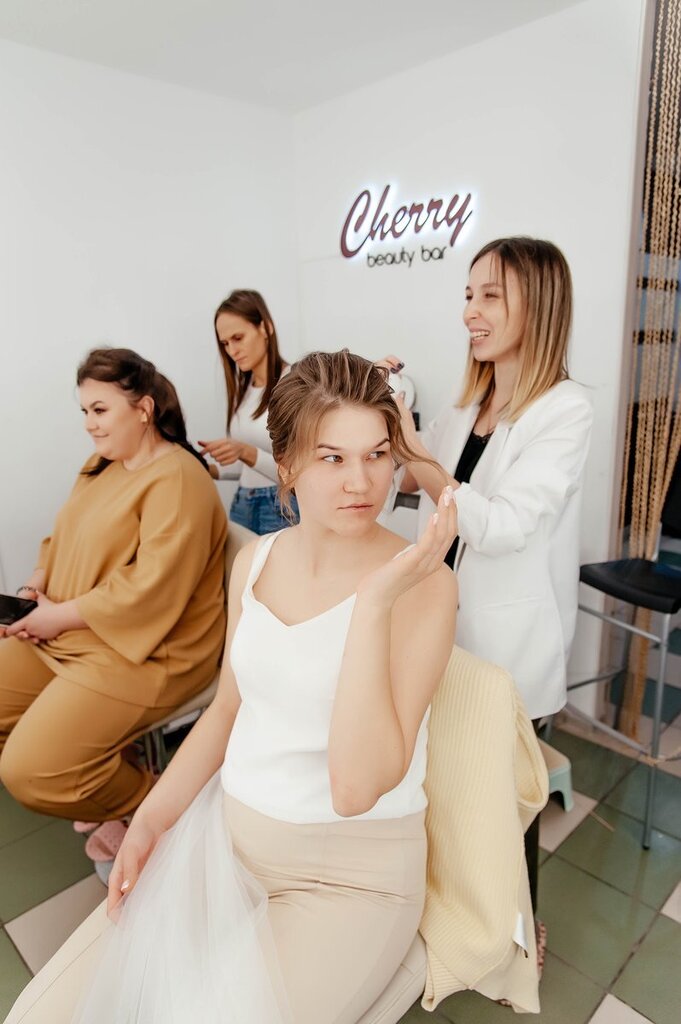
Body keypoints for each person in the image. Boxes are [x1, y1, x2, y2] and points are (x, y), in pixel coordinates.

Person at [5, 350, 457, 1024]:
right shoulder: (258, 560)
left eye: (376, 454)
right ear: (288, 464)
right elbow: (225, 711)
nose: (361, 481)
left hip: (348, 877)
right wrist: (151, 821)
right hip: (227, 841)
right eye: (332, 457)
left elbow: (355, 790)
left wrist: (372, 605)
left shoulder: (422, 586)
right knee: (42, 1014)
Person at [389, 236, 593, 933]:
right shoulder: (466, 406)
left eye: (489, 296)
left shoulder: (564, 410)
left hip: (506, 643)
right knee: (451, 787)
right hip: (438, 622)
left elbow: (500, 525)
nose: (469, 312)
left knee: (507, 802)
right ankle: (461, 914)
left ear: (538, 305)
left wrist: (416, 452)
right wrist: (388, 423)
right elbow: (420, 485)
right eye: (468, 295)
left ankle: (518, 928)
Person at [0, 348, 227, 828]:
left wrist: (56, 618)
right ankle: (106, 787)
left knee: (31, 773)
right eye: (85, 411)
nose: (89, 424)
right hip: (70, 631)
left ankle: (167, 813)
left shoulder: (179, 479)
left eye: (100, 410)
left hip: (149, 653)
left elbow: (151, 588)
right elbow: (61, 537)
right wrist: (33, 589)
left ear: (143, 409)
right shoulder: (101, 465)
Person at [199, 288, 299, 533]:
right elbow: (245, 466)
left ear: (265, 328)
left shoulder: (294, 383)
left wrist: (245, 451)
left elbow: (297, 473)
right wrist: (205, 468)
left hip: (281, 507)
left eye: (238, 338)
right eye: (225, 343)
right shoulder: (244, 390)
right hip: (243, 503)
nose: (232, 351)